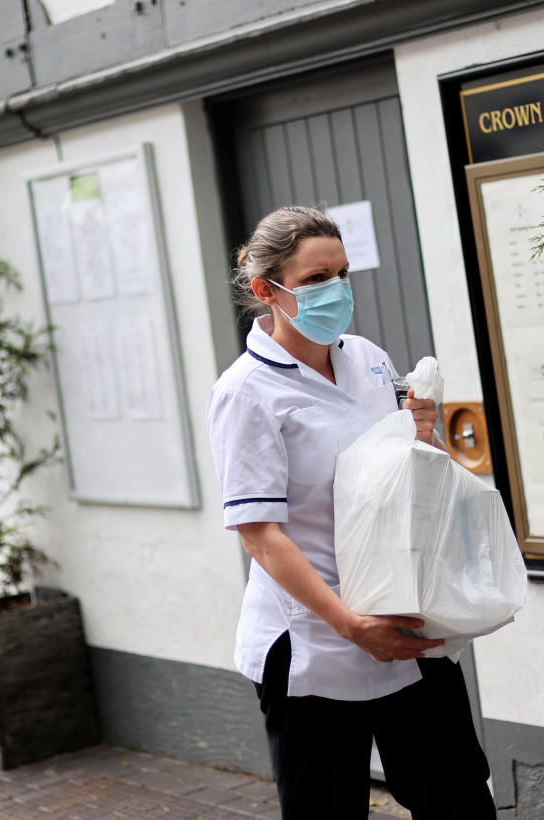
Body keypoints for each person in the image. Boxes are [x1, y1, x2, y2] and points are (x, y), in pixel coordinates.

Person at [207, 206, 497, 819]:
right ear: (266, 291)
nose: (335, 289)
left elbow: (403, 475)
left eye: (341, 273)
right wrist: (348, 624)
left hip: (403, 617)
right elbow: (260, 535)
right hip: (314, 636)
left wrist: (424, 433)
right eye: (315, 279)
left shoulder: (367, 358)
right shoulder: (245, 392)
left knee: (460, 800)